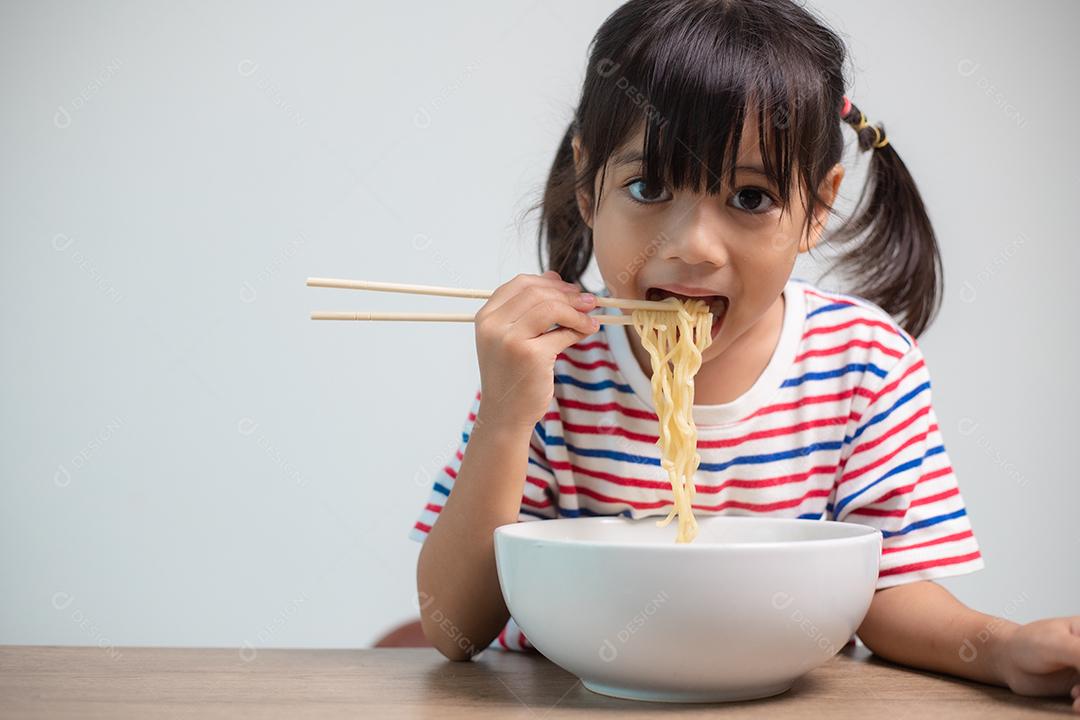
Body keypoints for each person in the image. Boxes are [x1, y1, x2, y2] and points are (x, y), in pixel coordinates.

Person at [412, 0, 1080, 709]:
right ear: (587, 184)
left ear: (817, 207)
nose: (693, 247)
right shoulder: (551, 363)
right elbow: (455, 627)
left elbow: (888, 590)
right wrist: (508, 413)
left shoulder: (865, 364)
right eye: (648, 187)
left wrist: (1004, 649)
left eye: (751, 197)